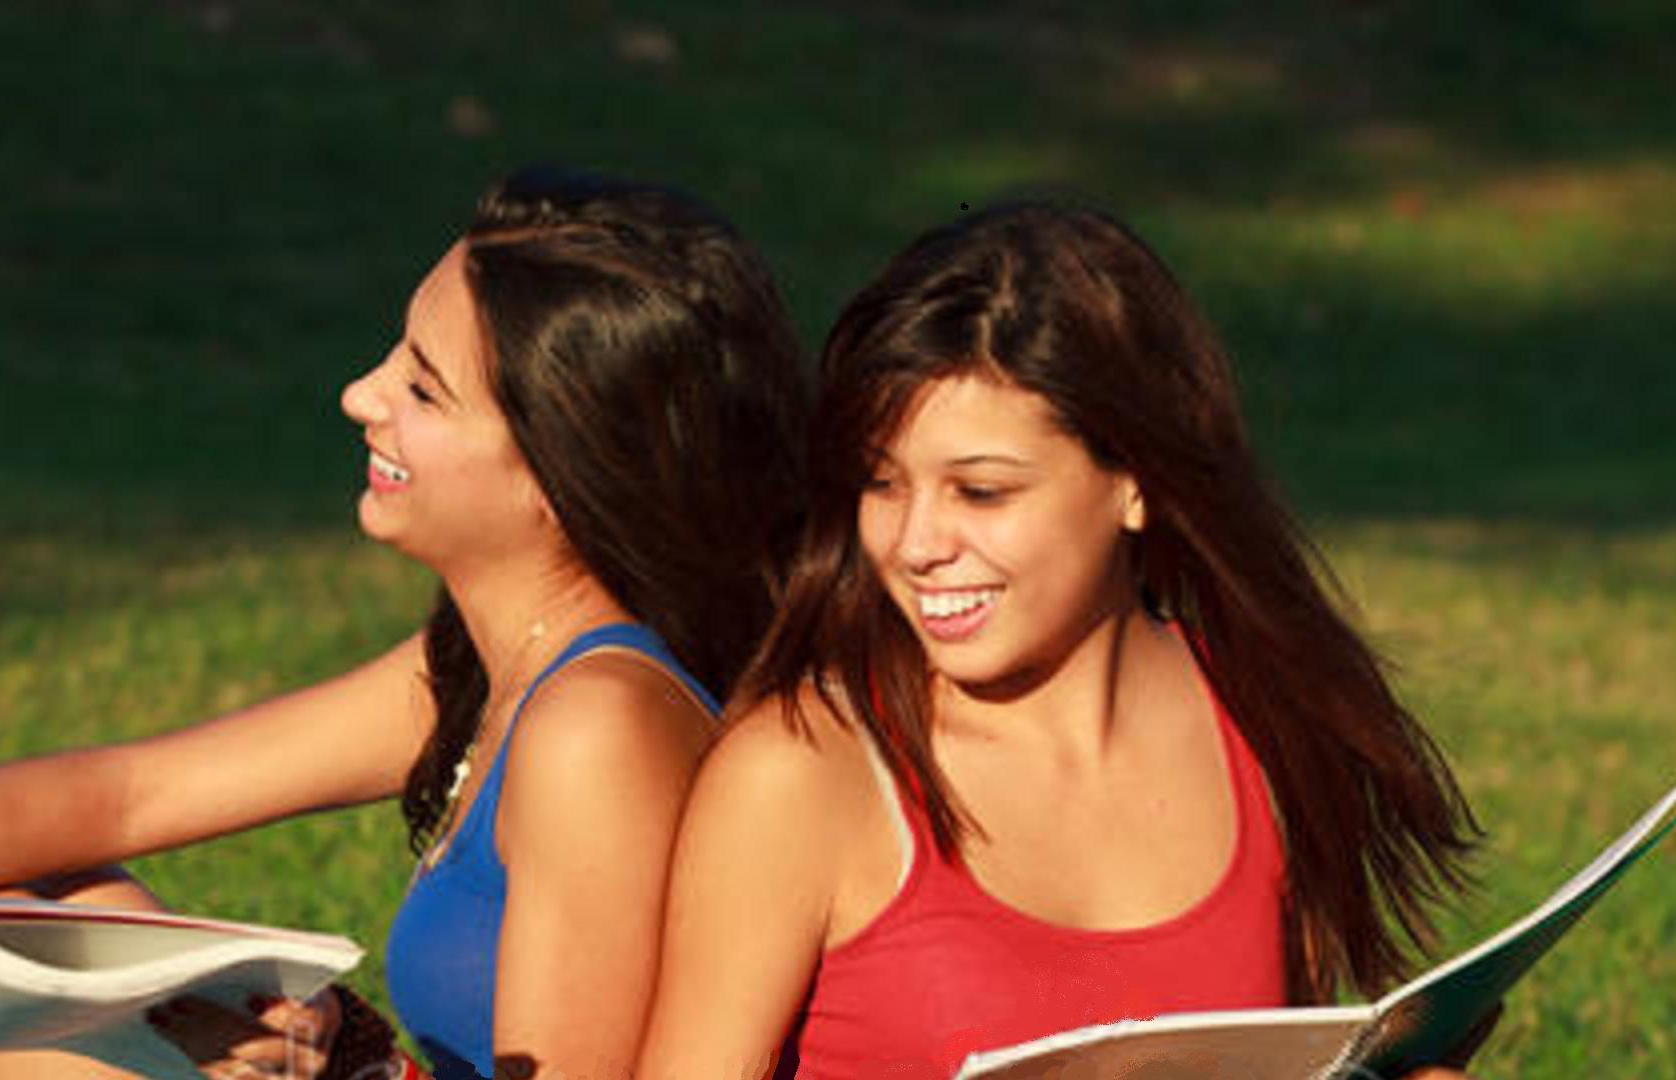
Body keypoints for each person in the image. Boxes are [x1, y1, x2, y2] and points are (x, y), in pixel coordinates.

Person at [0, 168, 807, 1080]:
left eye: (422, 388)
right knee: (14, 926)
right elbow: (128, 794)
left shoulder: (595, 727)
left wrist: (348, 1066)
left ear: (560, 470)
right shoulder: (489, 668)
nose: (360, 395)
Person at [636, 202, 1486, 1080]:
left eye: (981, 492)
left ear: (1136, 483)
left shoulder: (1267, 722)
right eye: (882, 484)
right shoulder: (800, 776)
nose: (915, 543)